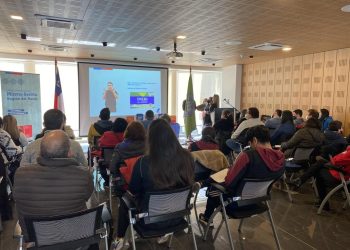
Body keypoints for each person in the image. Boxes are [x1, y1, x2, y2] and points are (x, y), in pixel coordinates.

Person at [112, 119, 194, 249]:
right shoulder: (187, 157)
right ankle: (163, 234)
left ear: (150, 139)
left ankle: (120, 238)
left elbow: (133, 190)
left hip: (149, 221)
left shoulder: (143, 163)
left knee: (124, 200)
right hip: (178, 217)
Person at [14, 130, 93, 240]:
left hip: (36, 241)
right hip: (75, 240)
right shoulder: (83, 175)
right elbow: (86, 197)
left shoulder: (20, 174)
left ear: (41, 152)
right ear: (69, 152)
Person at [199, 125, 285, 223]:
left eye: (250, 143)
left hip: (236, 203)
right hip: (258, 201)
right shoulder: (281, 158)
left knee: (213, 189)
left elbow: (229, 183)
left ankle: (207, 218)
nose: (250, 146)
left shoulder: (248, 156)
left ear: (255, 140)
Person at [21, 109, 87, 166]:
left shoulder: (32, 146)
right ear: (62, 124)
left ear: (44, 124)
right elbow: (85, 168)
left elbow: (23, 168)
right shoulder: (75, 145)